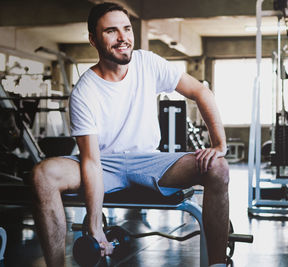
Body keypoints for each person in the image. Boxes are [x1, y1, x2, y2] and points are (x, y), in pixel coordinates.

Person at [30, 2, 229, 267]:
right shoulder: (84, 92)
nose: (123, 38)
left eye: (127, 29)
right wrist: (93, 221)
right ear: (93, 39)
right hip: (104, 163)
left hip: (150, 161)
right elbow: (91, 161)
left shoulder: (147, 63)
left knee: (218, 168)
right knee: (43, 174)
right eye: (111, 31)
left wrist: (219, 144)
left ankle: (217, 264)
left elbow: (200, 91)